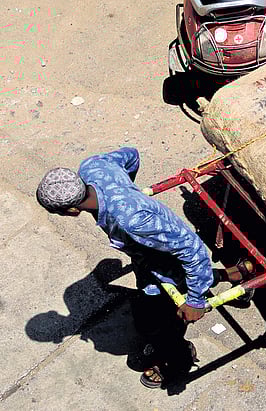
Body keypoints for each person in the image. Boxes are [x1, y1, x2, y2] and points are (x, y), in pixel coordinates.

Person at [36, 147, 251, 388]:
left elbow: (192, 249)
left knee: (151, 324)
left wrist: (195, 302)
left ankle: (180, 360)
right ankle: (238, 272)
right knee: (160, 296)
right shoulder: (92, 167)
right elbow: (132, 155)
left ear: (72, 210)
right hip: (148, 253)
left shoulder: (131, 221)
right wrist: (129, 193)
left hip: (162, 259)